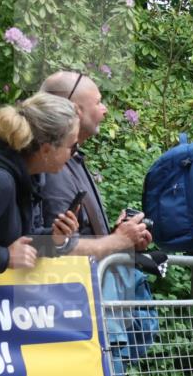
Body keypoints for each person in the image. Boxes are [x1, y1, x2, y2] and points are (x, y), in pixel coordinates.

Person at [39, 72, 151, 256]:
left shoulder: (72, 159)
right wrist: (116, 241)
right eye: (98, 102)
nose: (105, 109)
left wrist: (121, 238)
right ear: (76, 110)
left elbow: (63, 239)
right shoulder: (53, 167)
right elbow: (55, 249)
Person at [0, 92, 79, 273]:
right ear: (46, 150)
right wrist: (4, 257)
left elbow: (20, 240)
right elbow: (9, 252)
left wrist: (53, 239)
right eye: (73, 146)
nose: (75, 154)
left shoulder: (29, 175)